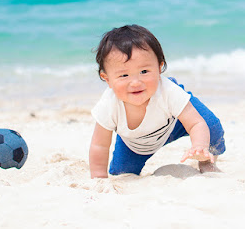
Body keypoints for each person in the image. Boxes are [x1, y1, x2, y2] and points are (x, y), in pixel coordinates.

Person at [89, 25, 225, 178]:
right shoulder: (109, 104)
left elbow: (195, 123)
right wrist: (98, 177)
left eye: (144, 72)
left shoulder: (168, 91)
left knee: (209, 125)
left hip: (175, 123)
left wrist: (199, 147)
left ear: (159, 68)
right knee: (123, 173)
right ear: (107, 79)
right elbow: (99, 146)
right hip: (135, 144)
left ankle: (207, 162)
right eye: (124, 75)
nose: (135, 82)